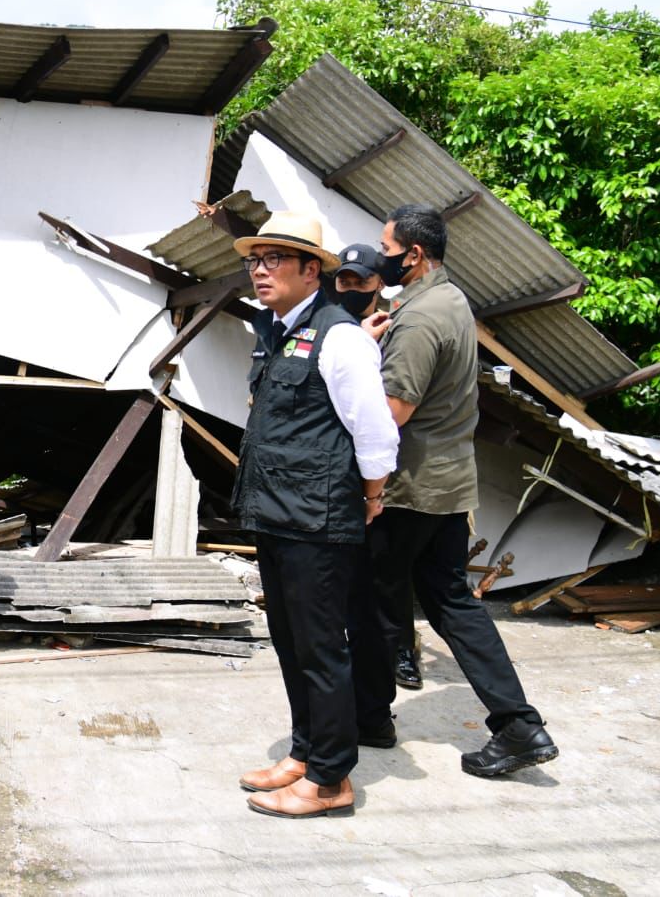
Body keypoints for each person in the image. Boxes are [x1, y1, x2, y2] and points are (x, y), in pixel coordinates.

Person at [353, 203, 558, 778]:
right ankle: (519, 724)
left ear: (413, 255)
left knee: (373, 603)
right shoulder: (450, 299)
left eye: (387, 250)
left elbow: (391, 413)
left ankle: (370, 717)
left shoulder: (419, 319)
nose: (382, 259)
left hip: (411, 487)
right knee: (451, 603)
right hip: (448, 484)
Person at [230, 213, 399, 819]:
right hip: (276, 512)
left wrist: (372, 494)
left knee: (322, 647)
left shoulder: (341, 336)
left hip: (318, 518)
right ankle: (304, 753)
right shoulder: (274, 331)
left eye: (275, 259)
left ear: (312, 270)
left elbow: (374, 430)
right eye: (255, 260)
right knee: (289, 641)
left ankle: (331, 779)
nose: (260, 269)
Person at [332, 245, 424, 695]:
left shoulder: (395, 329)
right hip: (339, 471)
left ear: (378, 285)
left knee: (388, 575)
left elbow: (389, 412)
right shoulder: (330, 326)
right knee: (353, 578)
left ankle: (402, 652)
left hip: (386, 471)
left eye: (360, 282)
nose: (350, 289)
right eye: (344, 281)